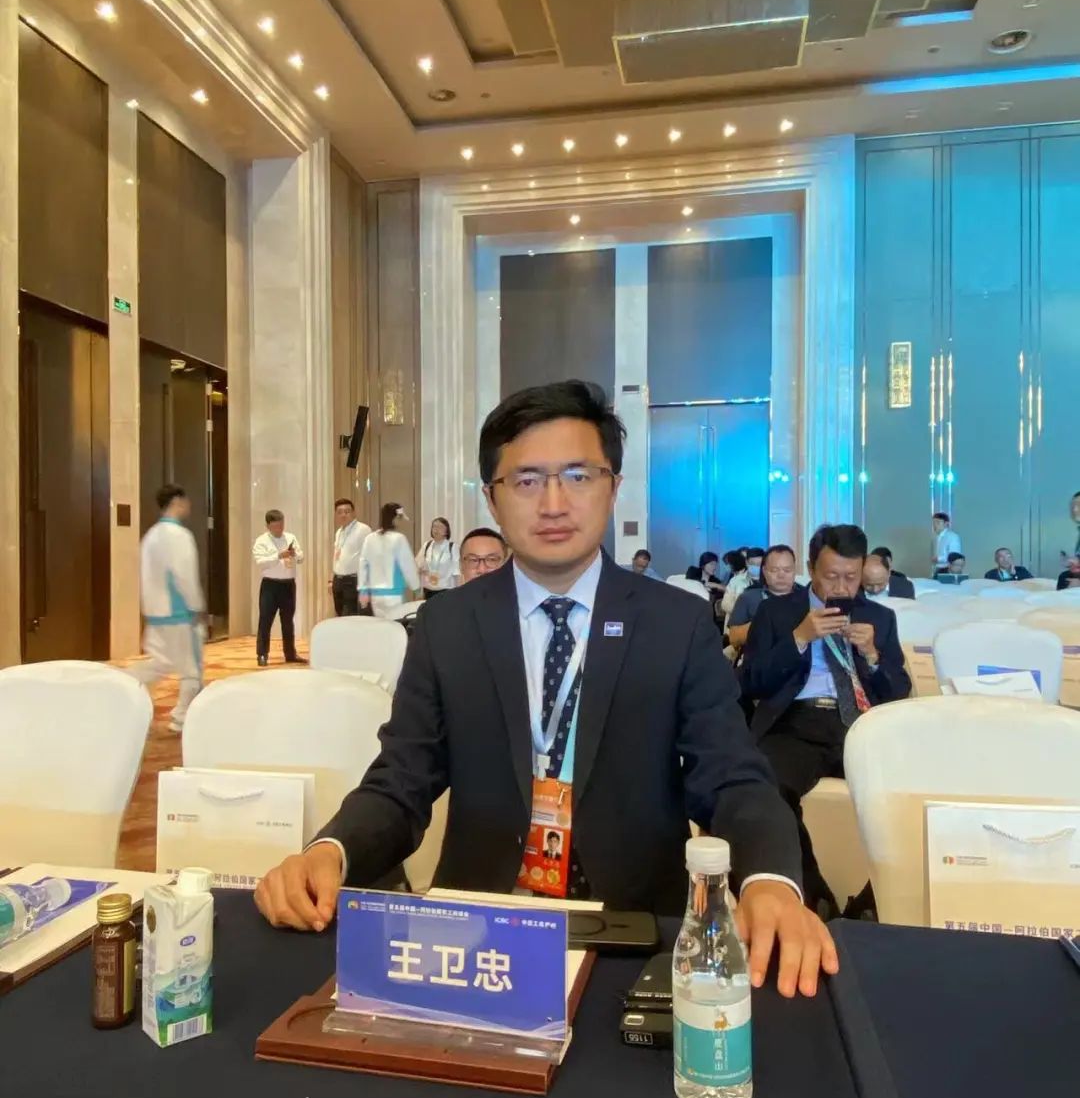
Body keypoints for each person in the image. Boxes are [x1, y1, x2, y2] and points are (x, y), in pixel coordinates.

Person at [256, 379, 837, 999]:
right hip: (477, 939)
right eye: (527, 480)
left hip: (633, 936)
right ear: (492, 498)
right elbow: (402, 779)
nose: (554, 503)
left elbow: (732, 776)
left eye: (579, 476)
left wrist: (770, 880)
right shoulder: (448, 624)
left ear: (613, 487)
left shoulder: (675, 623)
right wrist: (331, 850)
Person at [742, 523, 911, 917]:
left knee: (908, 793)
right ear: (811, 569)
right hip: (796, 722)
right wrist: (799, 638)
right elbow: (751, 681)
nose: (842, 586)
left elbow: (898, 691)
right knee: (768, 785)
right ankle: (814, 894)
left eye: (851, 577)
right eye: (831, 575)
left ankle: (871, 903)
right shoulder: (776, 612)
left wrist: (872, 655)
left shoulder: (880, 617)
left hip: (862, 726)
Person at [127, 484, 205, 731]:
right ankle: (182, 716)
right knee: (191, 668)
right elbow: (184, 576)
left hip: (156, 612)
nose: (188, 506)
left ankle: (123, 684)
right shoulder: (179, 536)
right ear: (177, 502)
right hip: (178, 611)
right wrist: (196, 606)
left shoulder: (151, 535)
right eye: (185, 501)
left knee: (161, 662)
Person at [253, 510, 305, 667]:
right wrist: (278, 556)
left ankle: (290, 653)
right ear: (268, 526)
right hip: (270, 585)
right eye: (276, 526)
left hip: (288, 584)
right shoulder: (261, 541)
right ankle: (262, 654)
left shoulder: (290, 537)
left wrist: (295, 554)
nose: (279, 529)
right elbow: (260, 562)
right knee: (265, 620)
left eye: (281, 525)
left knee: (288, 621)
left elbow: (301, 558)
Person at [726, 544, 797, 655]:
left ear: (794, 570)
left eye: (787, 570)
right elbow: (734, 638)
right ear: (764, 570)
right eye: (774, 570)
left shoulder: (804, 596)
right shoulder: (749, 596)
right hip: (759, 658)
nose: (781, 575)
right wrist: (763, 623)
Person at [359, 503, 421, 618]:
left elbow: (363, 565)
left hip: (375, 594)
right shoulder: (399, 539)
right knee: (395, 625)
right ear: (395, 519)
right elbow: (408, 566)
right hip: (394, 594)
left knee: (381, 626)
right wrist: (416, 588)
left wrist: (363, 590)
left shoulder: (370, 539)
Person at [328, 498, 370, 617]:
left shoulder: (363, 530)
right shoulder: (339, 532)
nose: (343, 515)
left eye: (347, 511)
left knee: (350, 616)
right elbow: (336, 556)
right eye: (340, 512)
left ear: (353, 513)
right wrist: (331, 580)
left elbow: (369, 557)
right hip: (338, 580)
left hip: (353, 580)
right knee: (339, 613)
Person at [416, 518, 460, 599]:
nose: (436, 529)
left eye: (440, 527)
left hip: (446, 590)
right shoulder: (427, 545)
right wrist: (419, 591)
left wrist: (459, 593)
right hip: (428, 590)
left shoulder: (452, 547)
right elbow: (417, 567)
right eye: (434, 526)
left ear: (446, 531)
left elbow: (456, 572)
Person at [722, 548, 764, 619]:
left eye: (759, 564)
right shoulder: (735, 581)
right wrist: (746, 609)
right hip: (738, 622)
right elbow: (725, 605)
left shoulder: (769, 581)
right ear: (747, 563)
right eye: (753, 564)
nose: (756, 567)